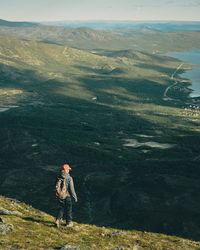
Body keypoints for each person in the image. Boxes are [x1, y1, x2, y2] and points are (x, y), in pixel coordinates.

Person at [55, 163, 78, 228]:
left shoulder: (58, 177)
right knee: (69, 209)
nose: (69, 170)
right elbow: (72, 189)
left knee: (61, 208)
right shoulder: (69, 178)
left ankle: (57, 220)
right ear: (66, 170)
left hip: (59, 195)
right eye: (68, 169)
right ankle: (68, 223)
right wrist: (75, 197)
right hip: (67, 196)